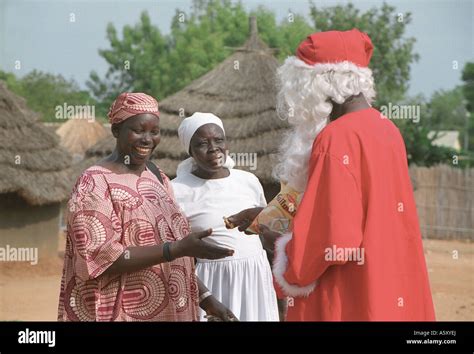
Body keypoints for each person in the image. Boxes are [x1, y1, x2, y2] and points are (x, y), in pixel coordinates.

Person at [229, 29, 436, 321]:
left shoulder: (336, 137)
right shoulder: (389, 130)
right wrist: (267, 216)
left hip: (348, 293)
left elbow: (335, 238)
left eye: (299, 84)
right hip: (389, 281)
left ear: (318, 82)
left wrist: (281, 248)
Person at [58, 93, 238, 321]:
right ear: (116, 131)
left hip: (174, 310)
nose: (147, 139)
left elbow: (177, 249)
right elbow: (100, 258)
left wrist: (209, 301)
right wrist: (176, 249)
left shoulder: (157, 177)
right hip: (125, 311)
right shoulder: (94, 183)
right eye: (138, 130)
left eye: (154, 132)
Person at [171, 112, 279, 321]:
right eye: (202, 143)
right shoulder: (178, 190)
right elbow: (177, 251)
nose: (213, 148)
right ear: (190, 151)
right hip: (212, 281)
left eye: (218, 140)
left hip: (255, 275)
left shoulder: (248, 180)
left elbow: (267, 232)